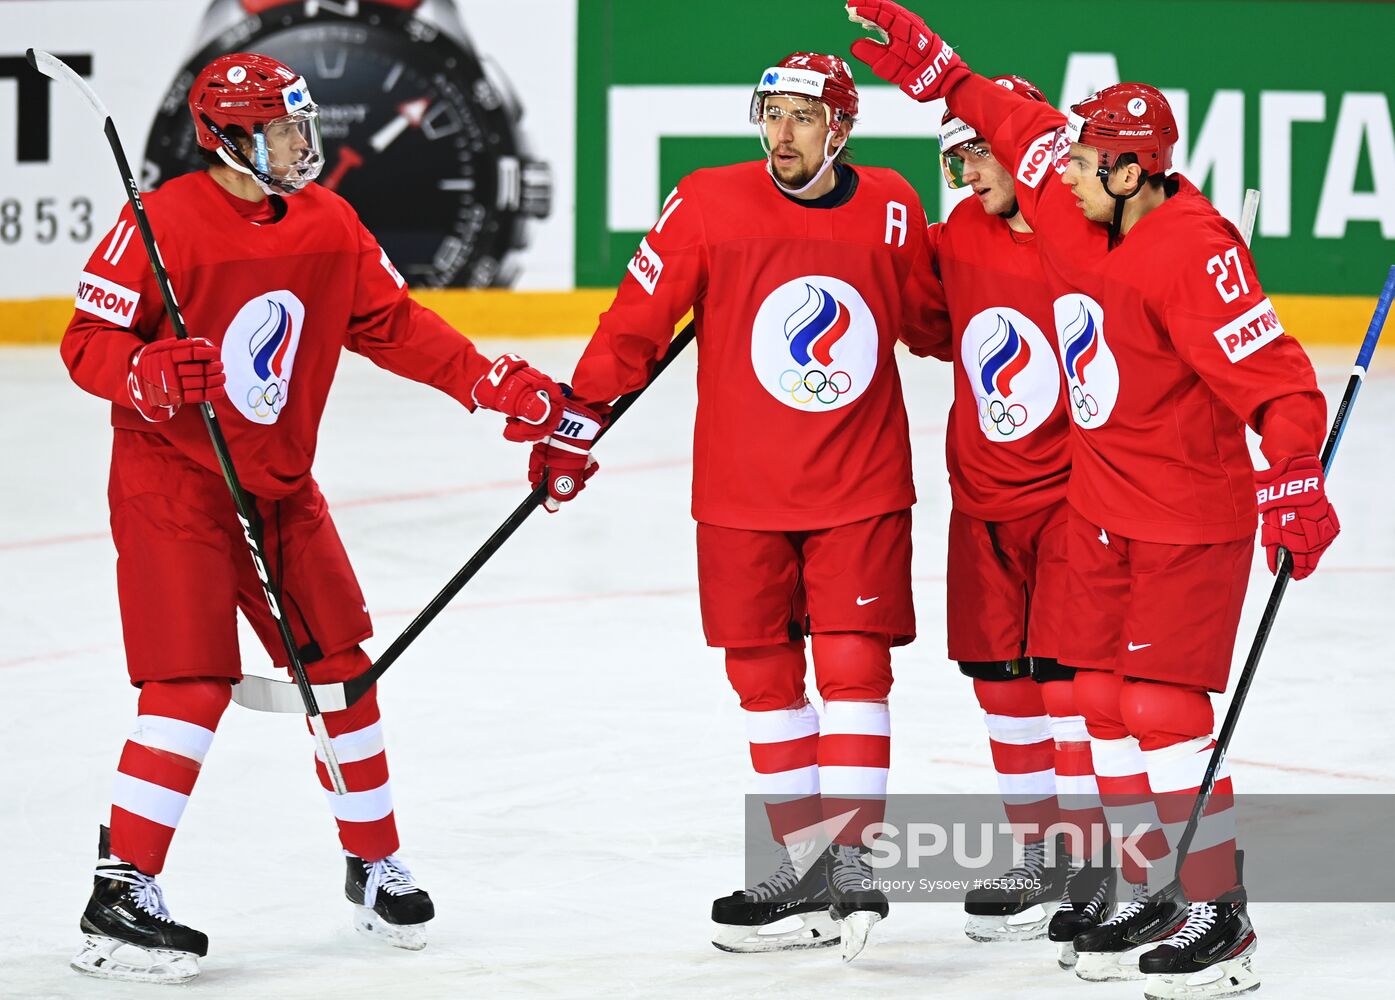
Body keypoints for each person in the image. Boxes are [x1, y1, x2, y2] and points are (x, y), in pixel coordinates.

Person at [847, 2, 1338, 996]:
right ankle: (1148, 883)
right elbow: (1026, 132)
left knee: (1158, 707)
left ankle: (1219, 907)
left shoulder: (1194, 252)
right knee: (1104, 702)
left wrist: (1292, 473)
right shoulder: (1086, 209)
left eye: (1083, 164)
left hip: (1183, 520)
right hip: (1104, 512)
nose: (1060, 176)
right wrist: (948, 77)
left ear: (1130, 171)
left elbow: (1282, 382)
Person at [61, 53, 569, 984]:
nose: (306, 143)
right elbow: (85, 340)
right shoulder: (158, 222)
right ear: (229, 137)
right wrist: (144, 374)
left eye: (303, 125)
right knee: (189, 682)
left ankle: (372, 863)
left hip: (280, 484)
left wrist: (487, 384)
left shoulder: (329, 220)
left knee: (342, 669)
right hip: (172, 481)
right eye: (286, 129)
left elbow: (393, 325)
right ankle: (121, 886)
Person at [524, 51, 943, 962]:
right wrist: (576, 417)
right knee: (763, 682)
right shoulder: (708, 201)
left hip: (859, 485)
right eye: (772, 113)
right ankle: (805, 871)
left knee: (852, 669)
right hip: (738, 491)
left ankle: (855, 861)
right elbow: (637, 316)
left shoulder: (895, 205)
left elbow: (935, 322)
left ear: (841, 127)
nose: (781, 133)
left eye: (801, 116)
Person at [917, 75, 1132, 960]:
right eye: (955, 157)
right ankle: (1044, 851)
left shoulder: (1085, 236)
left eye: (975, 152)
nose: (966, 174)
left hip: (1071, 497)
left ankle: (1093, 858)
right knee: (1000, 683)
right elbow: (925, 320)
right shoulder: (955, 235)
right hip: (981, 497)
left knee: (1068, 686)